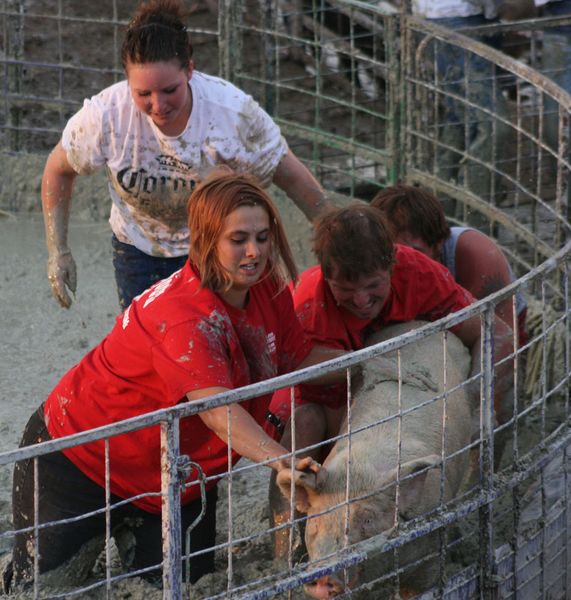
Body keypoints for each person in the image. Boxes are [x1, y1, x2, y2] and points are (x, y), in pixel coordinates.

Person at [8, 172, 347, 591]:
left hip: (175, 479)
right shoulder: (183, 315)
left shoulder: (268, 288)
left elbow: (296, 357)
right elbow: (217, 410)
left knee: (186, 586)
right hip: (77, 461)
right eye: (238, 239)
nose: (255, 252)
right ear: (205, 240)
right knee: (40, 588)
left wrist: (373, 362)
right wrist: (280, 459)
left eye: (263, 236)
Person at [43, 0, 332, 312]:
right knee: (149, 341)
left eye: (170, 90)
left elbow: (288, 173)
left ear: (190, 70)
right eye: (143, 94)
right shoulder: (105, 115)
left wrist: (332, 231)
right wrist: (58, 251)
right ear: (128, 82)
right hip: (138, 245)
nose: (158, 105)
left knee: (224, 334)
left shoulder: (232, 114)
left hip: (216, 246)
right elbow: (58, 170)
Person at [266, 203, 514, 559]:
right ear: (325, 275)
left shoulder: (417, 273)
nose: (362, 300)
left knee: (485, 413)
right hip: (324, 397)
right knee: (302, 429)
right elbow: (292, 365)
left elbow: (494, 333)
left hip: (377, 400)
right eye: (345, 289)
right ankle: (285, 548)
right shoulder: (307, 301)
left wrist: (474, 401)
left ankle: (470, 507)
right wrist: (368, 363)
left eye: (373, 286)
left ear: (392, 265)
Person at [371, 184, 528, 345]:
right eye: (394, 253)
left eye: (415, 252)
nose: (404, 262)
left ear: (438, 244)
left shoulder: (475, 254)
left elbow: (504, 340)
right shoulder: (369, 261)